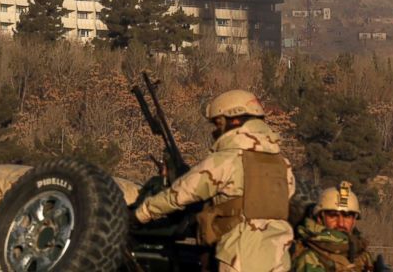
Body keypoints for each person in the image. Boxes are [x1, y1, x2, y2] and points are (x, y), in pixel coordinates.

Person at [133, 89, 296, 272]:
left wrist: (141, 214)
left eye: (218, 123)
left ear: (234, 120)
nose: (216, 130)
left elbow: (180, 194)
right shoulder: (283, 165)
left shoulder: (227, 160)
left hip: (239, 256)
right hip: (279, 258)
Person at [292, 182, 375, 272]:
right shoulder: (309, 256)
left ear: (354, 220)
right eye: (333, 216)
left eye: (347, 216)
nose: (341, 223)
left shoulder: (362, 254)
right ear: (320, 218)